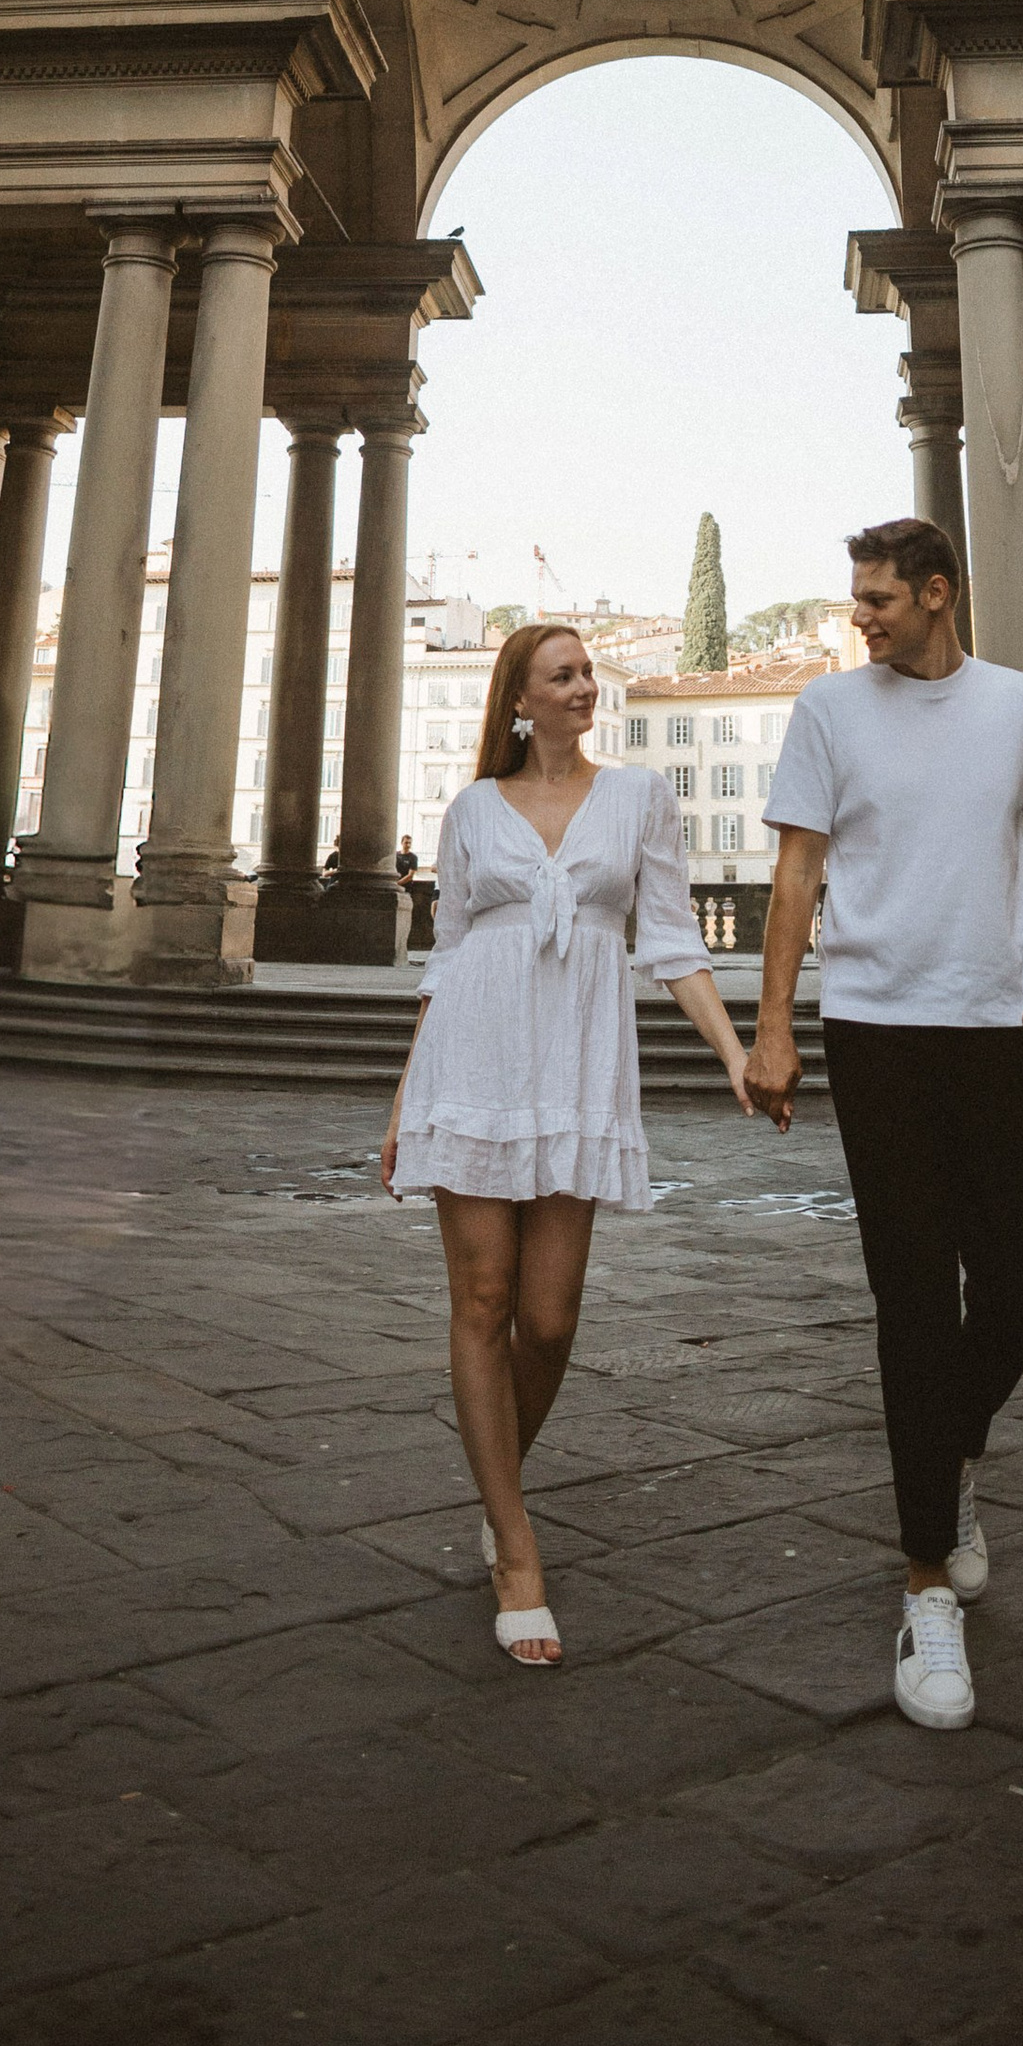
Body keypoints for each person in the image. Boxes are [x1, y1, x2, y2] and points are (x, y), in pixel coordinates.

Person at [746, 517, 1023, 1735]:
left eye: (882, 598)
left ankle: (946, 1460)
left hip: (997, 1031)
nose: (862, 616)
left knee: (1019, 1286)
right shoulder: (831, 712)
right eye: (857, 598)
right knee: (911, 1298)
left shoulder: (1018, 704)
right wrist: (775, 1026)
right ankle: (925, 1580)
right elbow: (795, 874)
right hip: (877, 1031)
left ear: (939, 594)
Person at [380, 620, 768, 1667]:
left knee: (548, 1322)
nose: (586, 687)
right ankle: (514, 1543)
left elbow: (675, 943)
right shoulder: (469, 811)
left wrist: (735, 1053)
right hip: (473, 1063)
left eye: (589, 671)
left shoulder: (638, 798)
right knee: (482, 1300)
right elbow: (448, 956)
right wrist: (406, 1100)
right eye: (564, 675)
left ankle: (495, 1475)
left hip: (574, 1069)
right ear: (520, 698)